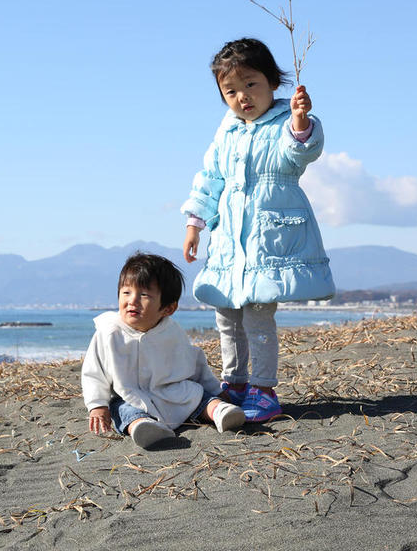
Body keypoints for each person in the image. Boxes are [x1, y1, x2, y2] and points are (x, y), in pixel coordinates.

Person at [181, 38, 335, 422]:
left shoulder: (285, 120)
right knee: (227, 315)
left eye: (251, 84)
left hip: (269, 239)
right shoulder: (227, 131)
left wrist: (301, 122)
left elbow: (298, 152)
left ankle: (263, 389)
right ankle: (235, 383)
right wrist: (194, 224)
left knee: (258, 317)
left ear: (272, 82)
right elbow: (210, 178)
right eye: (230, 90)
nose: (242, 97)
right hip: (230, 241)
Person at [81, 252, 246, 449]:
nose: (132, 300)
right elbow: (93, 374)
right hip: (132, 397)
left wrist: (216, 392)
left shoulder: (171, 331)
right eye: (126, 292)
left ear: (167, 309)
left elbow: (195, 364)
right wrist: (97, 405)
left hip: (172, 392)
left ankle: (219, 411)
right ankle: (141, 427)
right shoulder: (108, 332)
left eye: (144, 295)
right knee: (120, 410)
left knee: (199, 396)